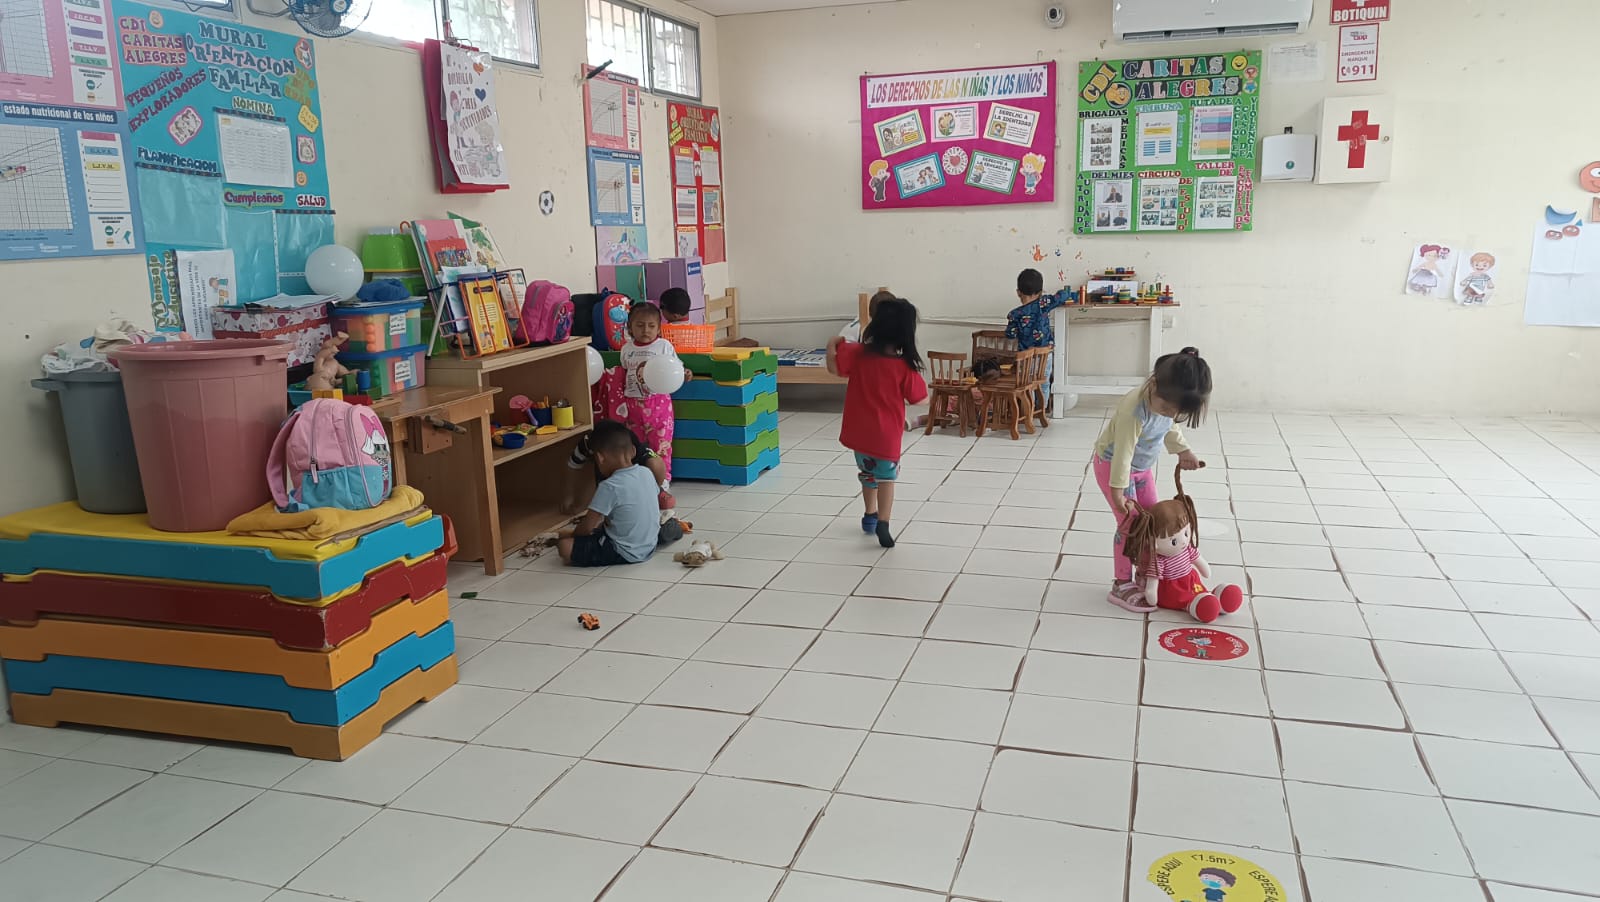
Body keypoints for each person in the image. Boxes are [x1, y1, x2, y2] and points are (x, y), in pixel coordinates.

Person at [1092, 347, 1212, 612]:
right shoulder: (1134, 410)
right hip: (1114, 467)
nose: (1168, 414)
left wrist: (1183, 450)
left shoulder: (1166, 405)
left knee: (1154, 522)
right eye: (1165, 407)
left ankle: (1146, 573)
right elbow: (1123, 453)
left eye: (1175, 412)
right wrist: (1118, 491)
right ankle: (1121, 584)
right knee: (1130, 526)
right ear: (1153, 384)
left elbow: (1170, 427)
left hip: (1141, 469)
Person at [827, 296, 928, 548]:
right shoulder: (904, 367)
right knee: (886, 478)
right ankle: (883, 522)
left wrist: (831, 344)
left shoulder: (857, 354)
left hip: (859, 433)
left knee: (867, 474)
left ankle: (869, 515)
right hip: (886, 436)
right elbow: (920, 399)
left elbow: (834, 368)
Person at [557, 423, 665, 567]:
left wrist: (576, 537)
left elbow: (587, 527)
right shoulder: (646, 472)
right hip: (650, 545)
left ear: (600, 458)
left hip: (623, 551)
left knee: (564, 546)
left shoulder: (609, 486)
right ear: (633, 451)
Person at [618, 303, 684, 509]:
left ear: (658, 328)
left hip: (659, 404)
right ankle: (641, 481)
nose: (645, 330)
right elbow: (624, 372)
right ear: (630, 327)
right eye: (640, 325)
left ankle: (663, 483)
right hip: (632, 405)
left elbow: (676, 369)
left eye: (651, 326)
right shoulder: (627, 349)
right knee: (636, 444)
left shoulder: (664, 346)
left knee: (661, 444)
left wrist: (686, 373)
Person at [564, 418, 670, 512]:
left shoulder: (631, 443)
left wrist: (651, 492)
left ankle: (657, 491)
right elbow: (573, 466)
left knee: (654, 465)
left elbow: (588, 526)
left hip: (638, 471)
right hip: (610, 478)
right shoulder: (587, 445)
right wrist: (569, 497)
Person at [1006, 268, 1069, 386]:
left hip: (1026, 357)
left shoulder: (1014, 314)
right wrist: (1064, 291)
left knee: (1027, 386)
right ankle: (1042, 399)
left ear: (1018, 292)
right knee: (1044, 385)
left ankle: (1029, 399)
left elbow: (1010, 334)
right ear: (1040, 292)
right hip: (1044, 354)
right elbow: (1062, 296)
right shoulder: (1044, 303)